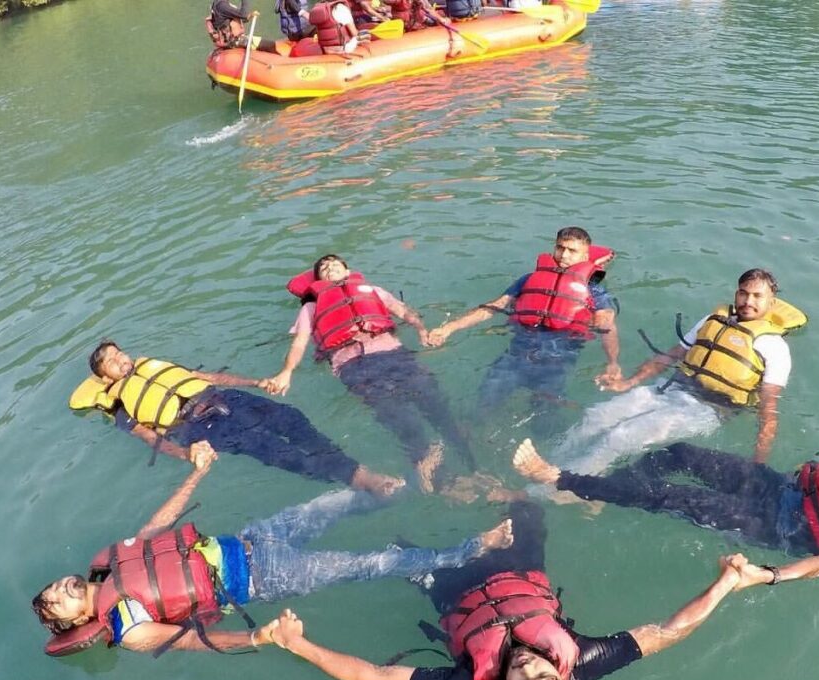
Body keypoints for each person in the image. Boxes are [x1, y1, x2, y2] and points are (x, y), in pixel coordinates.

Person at [262, 500, 753, 680]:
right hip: (520, 571)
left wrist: (296, 643)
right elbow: (669, 631)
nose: (527, 667)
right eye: (543, 676)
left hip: (453, 589)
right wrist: (726, 583)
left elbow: (371, 675)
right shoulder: (583, 658)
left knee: (393, 550)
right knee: (527, 506)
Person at [33, 449, 512, 657]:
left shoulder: (110, 563)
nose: (59, 589)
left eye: (53, 586)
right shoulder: (127, 626)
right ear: (76, 622)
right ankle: (471, 549)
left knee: (343, 500)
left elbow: (157, 527)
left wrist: (197, 474)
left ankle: (418, 484)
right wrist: (257, 638)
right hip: (266, 576)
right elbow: (193, 641)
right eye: (56, 602)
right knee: (371, 563)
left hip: (253, 536)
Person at [513, 437, 819, 580]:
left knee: (670, 496)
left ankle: (563, 480)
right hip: (782, 488)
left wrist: (770, 575)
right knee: (681, 454)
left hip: (776, 526)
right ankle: (604, 493)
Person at [70, 340, 402, 497]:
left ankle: (352, 470)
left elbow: (206, 376)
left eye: (119, 352)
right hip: (196, 425)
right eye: (111, 361)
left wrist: (256, 382)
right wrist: (186, 453)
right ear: (105, 377)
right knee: (270, 448)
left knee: (290, 418)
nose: (120, 359)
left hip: (224, 398)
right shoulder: (120, 405)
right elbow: (148, 436)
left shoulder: (152, 365)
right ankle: (359, 479)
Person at [265, 255, 474, 493]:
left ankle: (468, 457)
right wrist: (286, 372)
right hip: (353, 365)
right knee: (401, 419)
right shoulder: (311, 307)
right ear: (318, 279)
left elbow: (403, 311)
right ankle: (440, 478)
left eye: (335, 264)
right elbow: (300, 342)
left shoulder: (373, 291)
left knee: (435, 402)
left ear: (348, 271)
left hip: (393, 353)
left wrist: (421, 330)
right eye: (324, 268)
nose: (330, 268)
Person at [596, 268, 805, 464]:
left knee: (621, 436)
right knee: (597, 417)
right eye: (743, 293)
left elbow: (769, 408)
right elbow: (672, 355)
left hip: (711, 409)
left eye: (757, 296)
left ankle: (580, 481)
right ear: (736, 294)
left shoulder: (775, 347)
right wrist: (629, 382)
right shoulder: (712, 320)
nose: (748, 301)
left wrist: (758, 462)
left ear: (771, 302)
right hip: (674, 388)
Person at [425, 227, 620, 417]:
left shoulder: (593, 291)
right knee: (483, 408)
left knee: (543, 420)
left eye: (572, 250)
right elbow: (495, 306)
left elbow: (607, 324)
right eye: (560, 248)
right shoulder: (529, 279)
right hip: (516, 356)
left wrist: (612, 362)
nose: (564, 255)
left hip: (555, 364)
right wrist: (450, 328)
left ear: (585, 256)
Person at [207, 0, 281, 52]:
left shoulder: (217, 4)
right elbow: (243, 14)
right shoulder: (222, 6)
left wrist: (249, 16)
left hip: (230, 40)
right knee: (271, 45)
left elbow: (229, 21)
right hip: (234, 41)